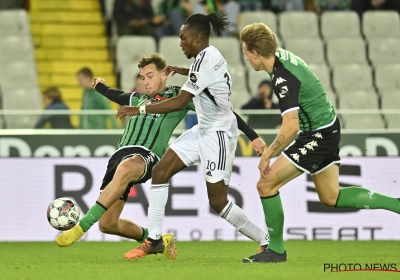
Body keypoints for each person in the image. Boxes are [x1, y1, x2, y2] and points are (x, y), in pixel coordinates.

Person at [55, 53, 264, 258]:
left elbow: (222, 111)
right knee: (107, 224)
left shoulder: (180, 96)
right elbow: (113, 93)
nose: (145, 82)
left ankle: (81, 227)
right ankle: (157, 239)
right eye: (143, 77)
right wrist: (99, 85)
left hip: (146, 155)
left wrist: (252, 135)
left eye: (150, 76)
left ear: (164, 74)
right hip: (119, 157)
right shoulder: (136, 98)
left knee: (127, 168)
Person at [240, 22, 400, 263]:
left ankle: (276, 250)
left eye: (245, 52)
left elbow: (291, 126)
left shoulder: (282, 78)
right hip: (327, 127)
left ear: (255, 52)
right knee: (331, 196)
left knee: (266, 185)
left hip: (317, 134)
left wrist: (267, 155)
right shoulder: (280, 58)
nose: (246, 59)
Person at [116, 13, 270, 260]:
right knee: (160, 172)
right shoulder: (208, 57)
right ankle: (154, 239)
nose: (180, 42)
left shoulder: (206, 60)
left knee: (218, 203)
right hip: (202, 130)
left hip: (219, 135)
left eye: (183, 37)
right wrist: (185, 71)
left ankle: (266, 241)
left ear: (197, 37)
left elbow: (180, 102)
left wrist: (139, 109)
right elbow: (205, 78)